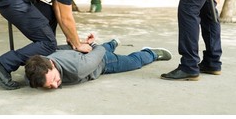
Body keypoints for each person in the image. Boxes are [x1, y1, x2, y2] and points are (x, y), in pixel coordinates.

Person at [25, 38, 172, 89]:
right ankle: (113, 43)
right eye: (49, 85)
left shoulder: (79, 69)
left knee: (134, 62)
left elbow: (98, 51)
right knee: (92, 51)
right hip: (83, 56)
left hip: (103, 62)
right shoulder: (39, 64)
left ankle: (151, 53)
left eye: (54, 80)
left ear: (51, 63)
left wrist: (92, 44)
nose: (55, 85)